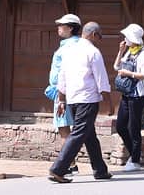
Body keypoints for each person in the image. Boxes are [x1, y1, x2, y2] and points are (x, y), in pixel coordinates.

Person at [48, 21, 114, 184]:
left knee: (89, 135)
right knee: (79, 133)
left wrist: (62, 100)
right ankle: (58, 168)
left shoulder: (69, 50)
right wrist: (109, 102)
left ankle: (100, 169)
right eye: (99, 36)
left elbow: (62, 77)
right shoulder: (93, 51)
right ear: (93, 34)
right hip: (87, 99)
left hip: (73, 98)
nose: (100, 40)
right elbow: (101, 79)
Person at [112, 24, 144, 172]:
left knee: (133, 128)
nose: (124, 39)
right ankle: (134, 153)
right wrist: (120, 51)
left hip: (137, 95)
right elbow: (116, 67)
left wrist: (128, 74)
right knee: (121, 126)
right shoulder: (129, 51)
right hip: (126, 94)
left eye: (126, 37)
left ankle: (135, 160)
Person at [45, 14, 82, 174]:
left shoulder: (67, 48)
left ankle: (67, 163)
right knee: (78, 128)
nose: (59, 27)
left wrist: (61, 97)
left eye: (62, 25)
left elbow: (63, 73)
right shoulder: (78, 45)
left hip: (63, 92)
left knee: (64, 129)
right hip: (75, 90)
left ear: (71, 28)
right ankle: (71, 162)